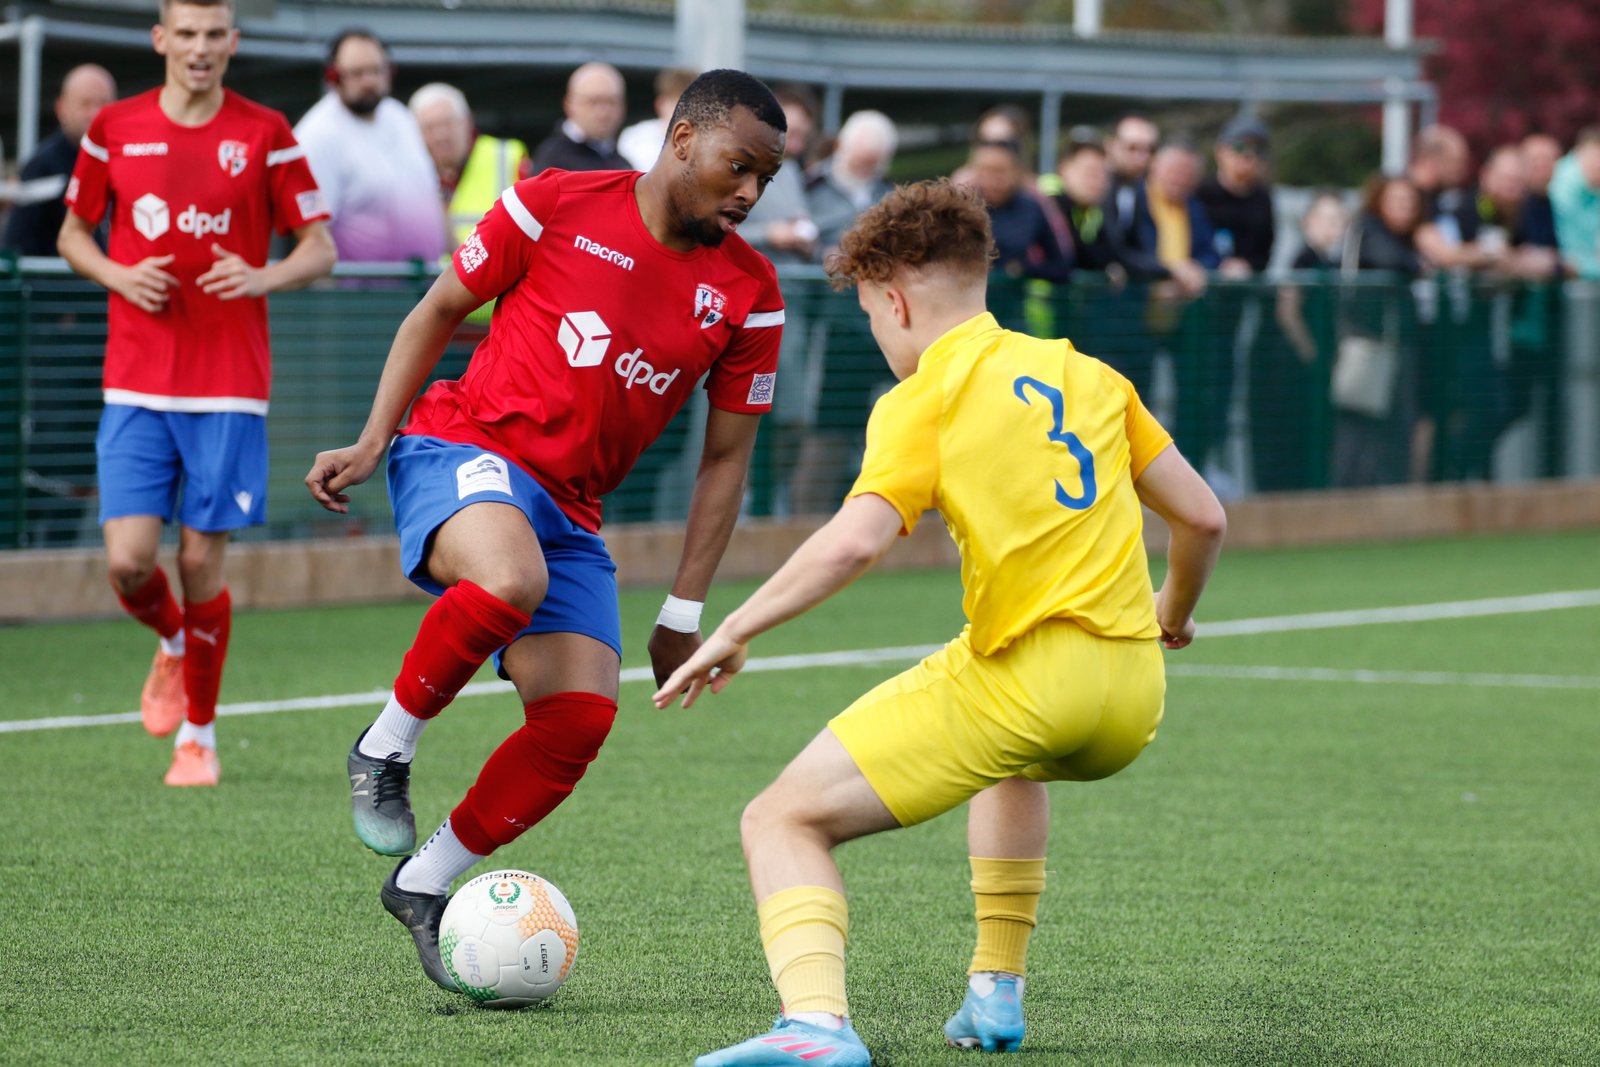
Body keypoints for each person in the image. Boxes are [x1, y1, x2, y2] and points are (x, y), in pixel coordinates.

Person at [653, 178, 1225, 1067]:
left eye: (873, 316)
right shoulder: (1090, 374)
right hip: (1131, 696)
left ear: (895, 297)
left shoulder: (926, 394)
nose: (880, 337)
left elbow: (853, 543)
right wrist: (1171, 614)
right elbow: (1204, 518)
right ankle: (997, 991)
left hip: (1033, 683)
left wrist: (737, 627)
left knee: (781, 819)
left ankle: (816, 1025)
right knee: (1014, 759)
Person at [304, 69, 788, 990]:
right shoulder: (554, 203)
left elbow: (724, 460)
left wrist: (684, 607)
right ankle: (385, 745)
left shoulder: (751, 292)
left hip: (569, 508)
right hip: (464, 443)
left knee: (578, 717)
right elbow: (438, 309)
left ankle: (424, 881)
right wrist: (373, 441)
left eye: (763, 179)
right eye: (737, 167)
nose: (748, 194)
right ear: (682, 138)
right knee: (508, 577)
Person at [56, 0, 335, 786]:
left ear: (233, 43)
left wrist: (261, 275)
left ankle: (201, 738)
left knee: (201, 564)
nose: (201, 48)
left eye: (216, 35)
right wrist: (115, 272)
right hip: (137, 378)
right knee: (131, 564)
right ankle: (174, 642)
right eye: (187, 34)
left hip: (228, 387)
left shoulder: (267, 132)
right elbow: (73, 231)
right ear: (161, 40)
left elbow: (320, 248)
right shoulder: (113, 127)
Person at [294, 28, 444, 262]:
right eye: (357, 73)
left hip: (425, 286)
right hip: (362, 294)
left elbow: (431, 195)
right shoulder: (317, 135)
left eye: (377, 70)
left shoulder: (400, 116)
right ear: (334, 77)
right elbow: (313, 236)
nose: (369, 81)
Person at [2, 65, 117, 255]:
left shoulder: (128, 158)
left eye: (104, 103)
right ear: (61, 109)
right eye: (85, 104)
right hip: (64, 282)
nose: (95, 114)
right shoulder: (42, 166)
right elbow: (20, 244)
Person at [408, 82, 529, 250]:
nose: (441, 135)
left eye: (448, 123)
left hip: (495, 272)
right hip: (434, 275)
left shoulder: (507, 156)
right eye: (430, 128)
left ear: (467, 122)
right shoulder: (406, 172)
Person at [528, 62, 631, 174]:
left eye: (612, 102)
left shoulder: (622, 162)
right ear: (569, 105)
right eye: (593, 102)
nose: (603, 112)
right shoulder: (551, 160)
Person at [618, 66, 698, 171]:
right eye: (679, 106)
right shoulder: (634, 138)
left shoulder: (703, 143)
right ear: (660, 105)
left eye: (693, 106)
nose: (687, 114)